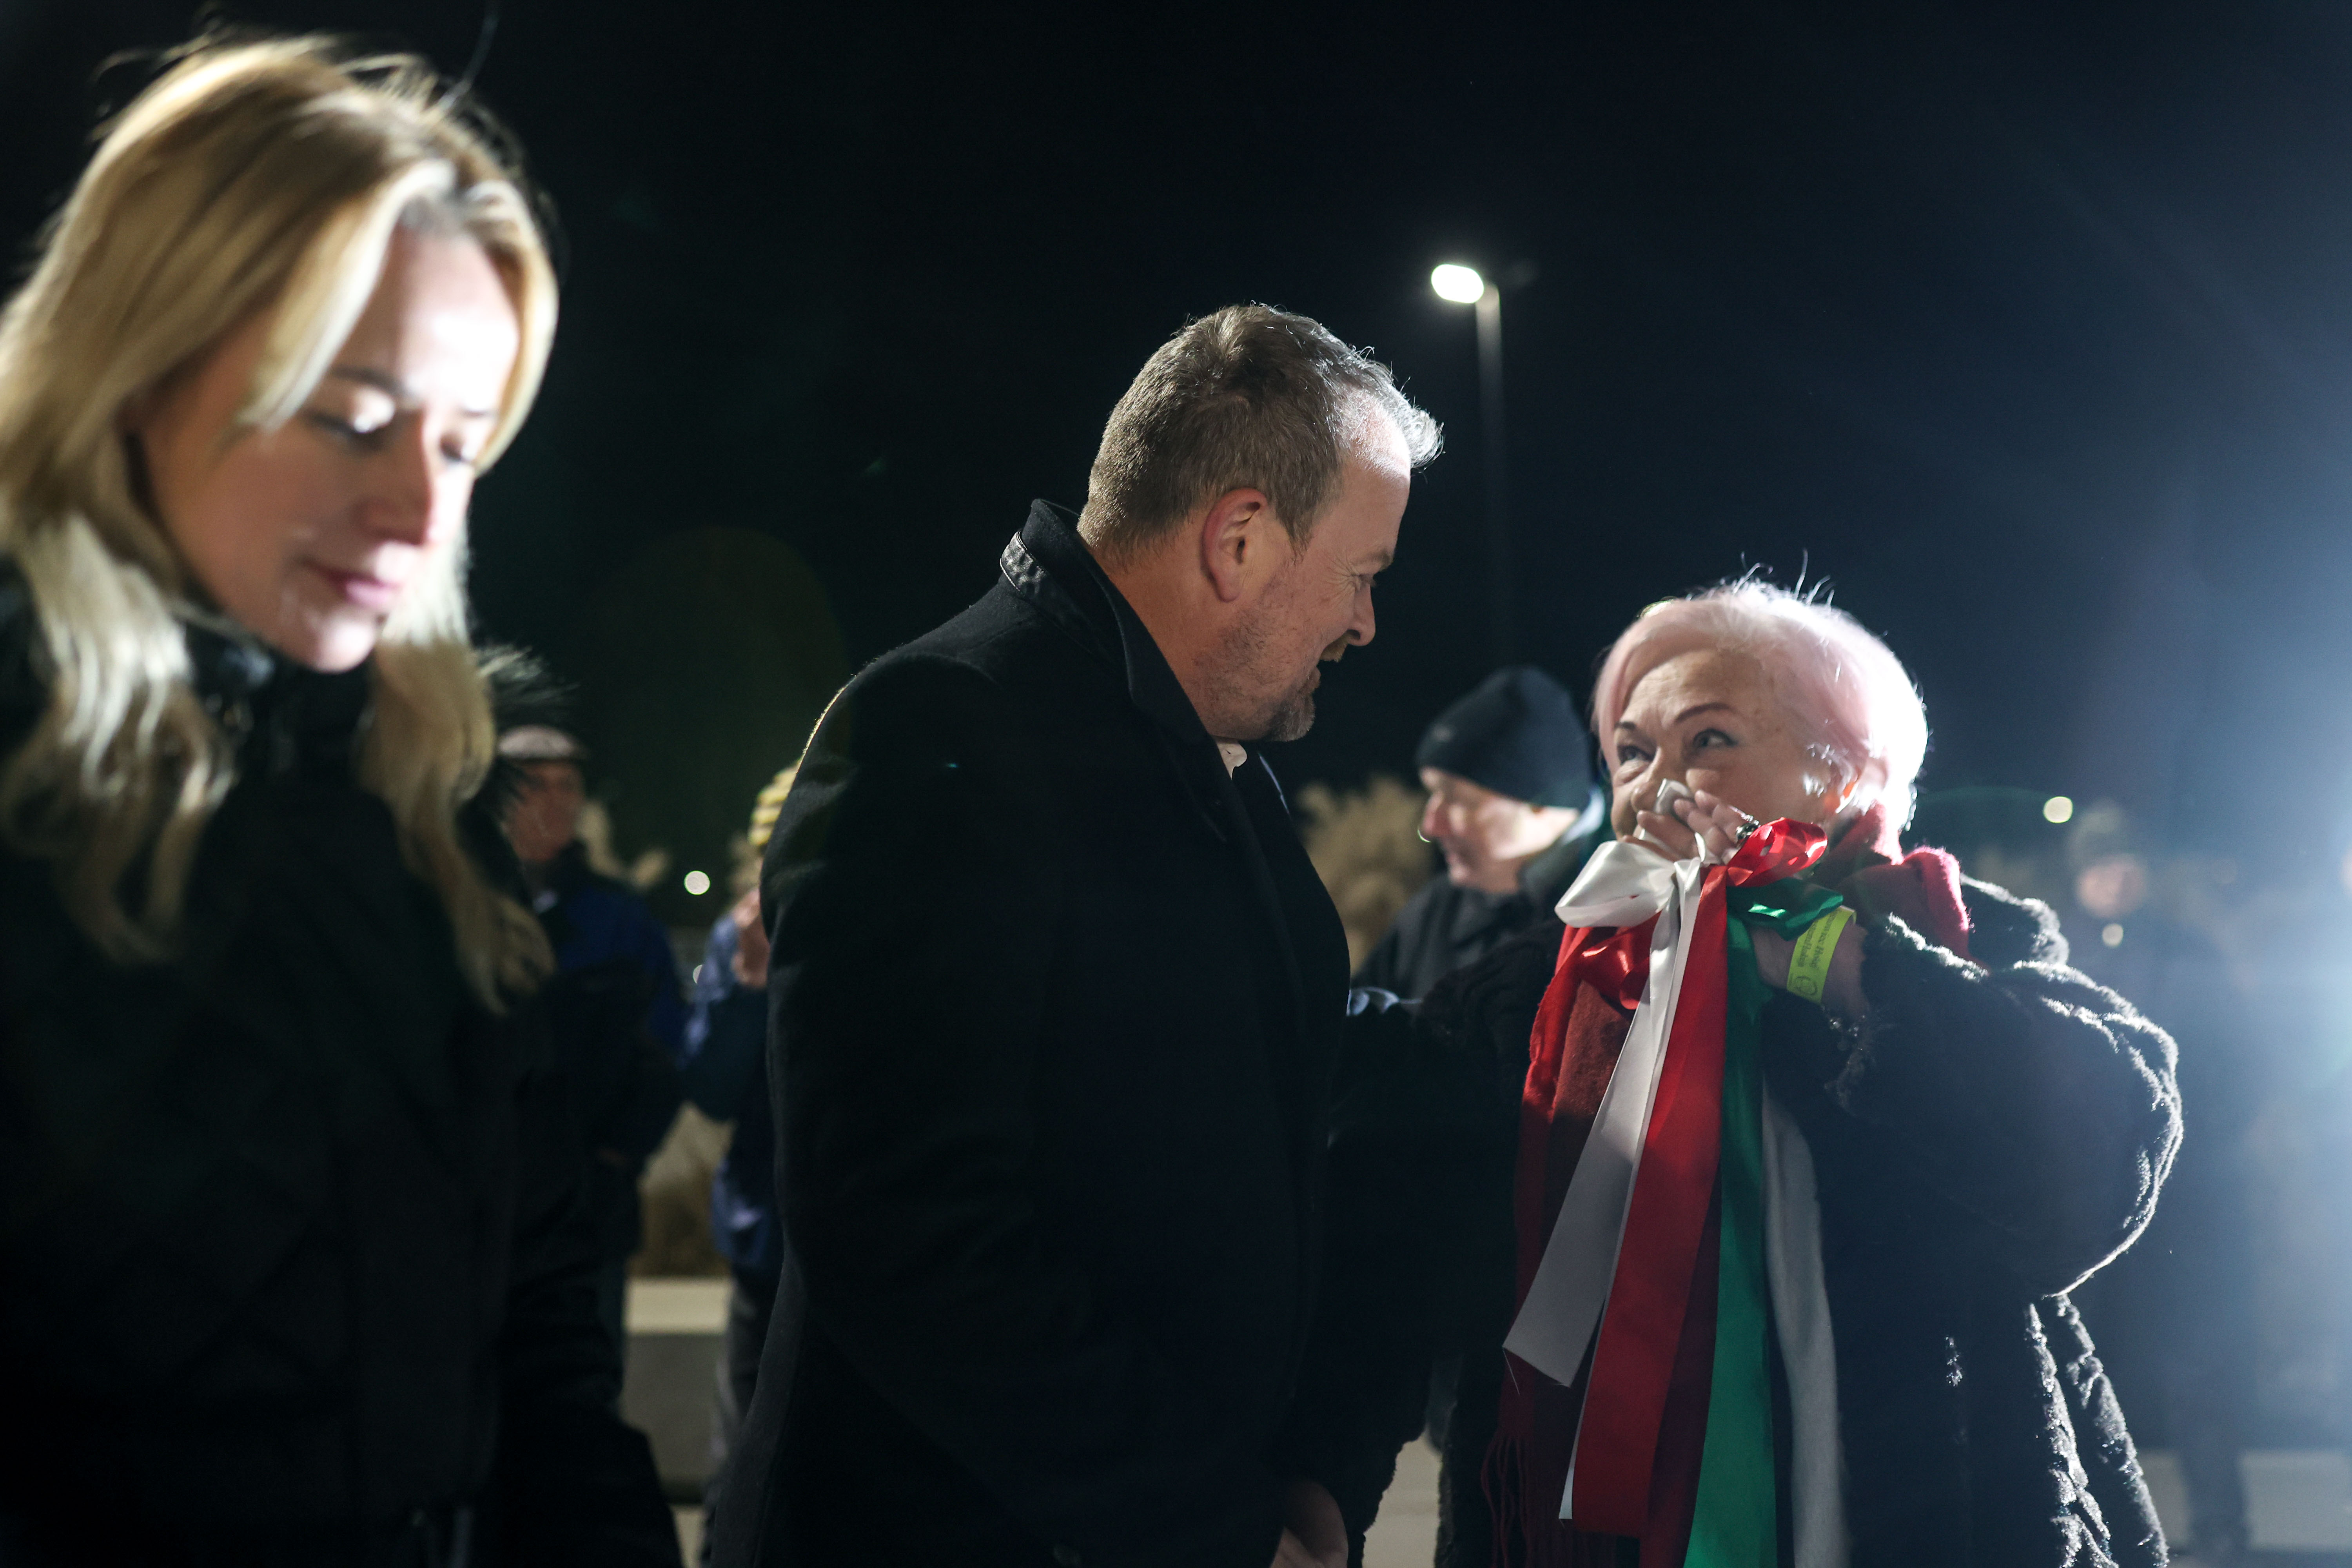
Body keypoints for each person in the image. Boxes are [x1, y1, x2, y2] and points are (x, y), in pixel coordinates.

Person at [0, 38, 678, 1566]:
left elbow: (540, 1340)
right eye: (354, 417)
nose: (421, 509)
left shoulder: (427, 808)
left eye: (461, 443)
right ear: (140, 367)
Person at [709, 305, 1441, 1568]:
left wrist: (1319, 1470)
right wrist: (1215, 1531)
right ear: (1240, 540)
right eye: (1360, 573)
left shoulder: (1208, 763)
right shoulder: (943, 732)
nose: (1366, 622)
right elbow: (914, 1240)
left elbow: (1282, 1073)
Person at [1324, 580, 2181, 1568]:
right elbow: (1386, 1224)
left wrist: (1854, 968)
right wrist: (1321, 1479)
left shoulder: (1966, 946)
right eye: (1632, 753)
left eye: (1709, 739)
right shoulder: (1550, 991)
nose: (1657, 785)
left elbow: (2096, 1182)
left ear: (1848, 772)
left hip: (1933, 1512)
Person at [498, 722, 686, 1386]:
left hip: (589, 1206)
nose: (555, 801)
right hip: (485, 1201)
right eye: (534, 785)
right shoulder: (466, 905)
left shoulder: (620, 918)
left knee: (585, 1383)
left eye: (568, 786)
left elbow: (667, 1047)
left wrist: (618, 1155)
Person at [677, 766, 794, 1561]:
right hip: (764, 1232)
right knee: (746, 1447)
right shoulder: (738, 936)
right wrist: (750, 986)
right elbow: (712, 1088)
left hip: (853, 1230)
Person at [1355, 665, 1609, 1000]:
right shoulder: (1438, 911)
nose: (1431, 826)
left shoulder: (1618, 915)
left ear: (1541, 803)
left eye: (1458, 800)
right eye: (1432, 794)